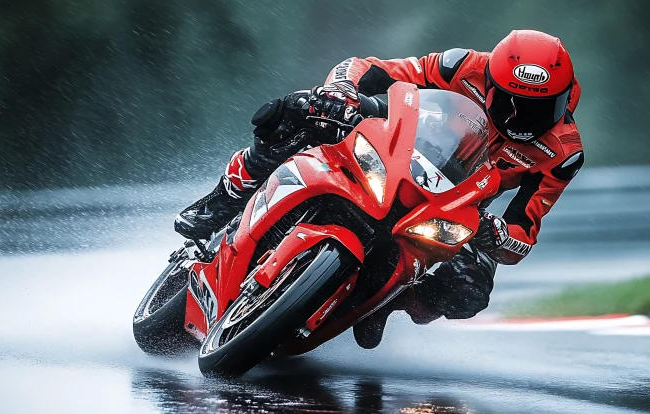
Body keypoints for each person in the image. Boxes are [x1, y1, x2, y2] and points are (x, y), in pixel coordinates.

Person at [174, 30, 585, 348]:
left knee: (469, 290)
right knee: (298, 111)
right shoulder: (461, 66)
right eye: (511, 102)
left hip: (458, 208)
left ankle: (386, 303)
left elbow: (522, 234)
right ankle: (225, 197)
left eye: (540, 108)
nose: (521, 118)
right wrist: (341, 92)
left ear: (564, 98)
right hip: (396, 149)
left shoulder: (563, 153)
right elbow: (368, 68)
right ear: (491, 82)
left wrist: (497, 233)